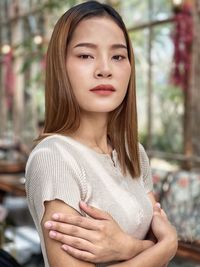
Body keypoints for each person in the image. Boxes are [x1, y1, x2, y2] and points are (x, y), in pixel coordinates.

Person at [25, 1, 178, 267]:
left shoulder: (134, 154)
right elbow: (162, 244)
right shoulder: (53, 158)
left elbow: (158, 240)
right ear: (61, 67)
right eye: (86, 55)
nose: (104, 69)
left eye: (118, 56)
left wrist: (129, 248)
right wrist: (165, 247)